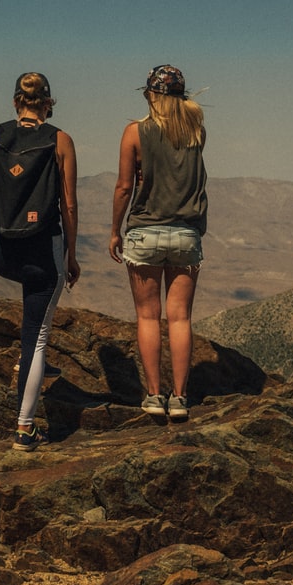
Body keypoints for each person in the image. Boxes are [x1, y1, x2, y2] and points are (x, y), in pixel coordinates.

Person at [0, 72, 80, 451]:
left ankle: (33, 365)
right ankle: (25, 428)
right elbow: (68, 204)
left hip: (3, 253)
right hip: (41, 250)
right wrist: (71, 253)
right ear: (48, 103)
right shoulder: (60, 141)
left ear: (16, 102)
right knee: (37, 334)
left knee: (32, 330)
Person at [109, 64, 207, 420]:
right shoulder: (196, 132)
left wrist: (115, 230)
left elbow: (124, 187)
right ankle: (180, 399)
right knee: (180, 319)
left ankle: (153, 396)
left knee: (148, 317)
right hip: (186, 234)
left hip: (145, 232)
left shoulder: (134, 133)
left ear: (151, 94)